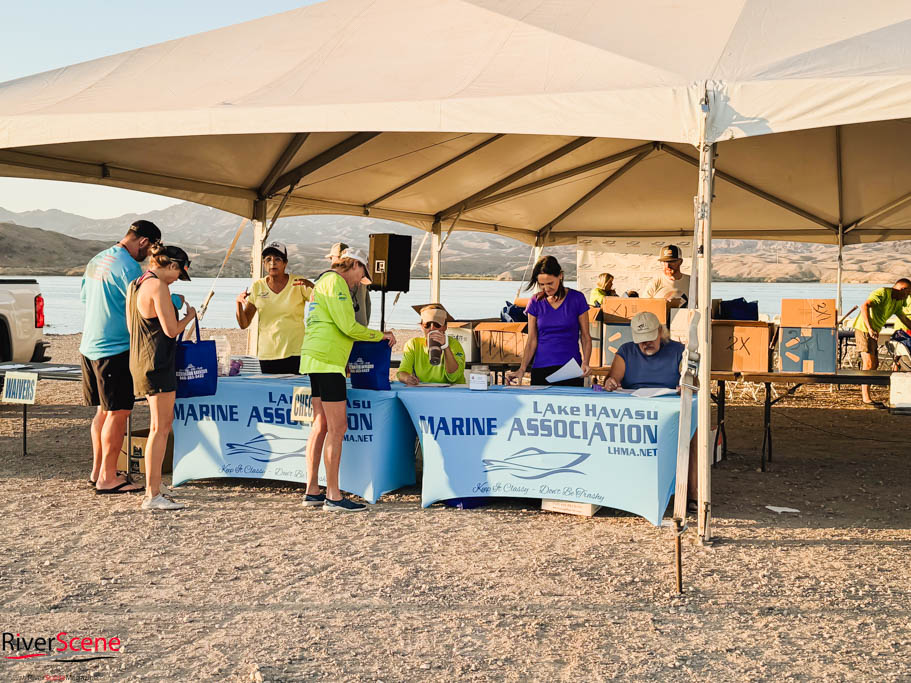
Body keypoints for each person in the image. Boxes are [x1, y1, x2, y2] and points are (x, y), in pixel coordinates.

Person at [299, 249, 395, 512]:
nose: (359, 281)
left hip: (315, 356)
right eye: (361, 274)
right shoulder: (336, 282)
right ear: (354, 265)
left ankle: (312, 489)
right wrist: (380, 336)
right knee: (338, 427)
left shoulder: (322, 281)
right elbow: (348, 326)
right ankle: (333, 495)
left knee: (320, 424)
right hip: (328, 359)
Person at [80, 219, 162, 494]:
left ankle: (98, 471)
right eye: (150, 249)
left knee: (104, 411)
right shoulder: (128, 267)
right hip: (113, 348)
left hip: (89, 346)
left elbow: (84, 300)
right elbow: (144, 304)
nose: (149, 256)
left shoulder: (97, 260)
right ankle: (107, 478)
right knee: (119, 412)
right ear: (143, 242)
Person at [126, 244, 197, 511]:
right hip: (158, 363)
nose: (177, 279)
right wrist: (188, 317)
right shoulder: (158, 287)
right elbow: (170, 330)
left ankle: (154, 485)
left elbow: (130, 325)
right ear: (172, 266)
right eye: (179, 273)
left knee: (159, 425)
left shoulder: (136, 284)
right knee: (160, 428)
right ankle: (152, 494)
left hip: (141, 359)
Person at [603, 311, 696, 500]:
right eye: (641, 340)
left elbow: (692, 381)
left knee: (692, 433)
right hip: (635, 410)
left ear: (661, 332)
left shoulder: (679, 351)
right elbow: (612, 379)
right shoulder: (626, 351)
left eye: (650, 338)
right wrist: (611, 382)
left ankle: (691, 493)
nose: (646, 344)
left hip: (668, 408)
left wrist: (684, 384)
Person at [506, 255, 591, 387]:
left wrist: (586, 362)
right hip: (541, 368)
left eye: (550, 283)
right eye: (541, 284)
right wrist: (522, 369)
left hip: (571, 368)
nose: (546, 289)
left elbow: (586, 336)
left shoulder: (577, 298)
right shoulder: (535, 301)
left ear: (560, 276)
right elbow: (532, 339)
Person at [235, 241, 313, 374]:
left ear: (285, 263)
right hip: (268, 354)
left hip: (296, 353)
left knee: (296, 393)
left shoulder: (298, 282)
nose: (272, 263)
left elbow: (322, 300)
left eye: (277, 259)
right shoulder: (258, 286)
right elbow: (244, 323)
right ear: (264, 264)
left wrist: (313, 286)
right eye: (268, 259)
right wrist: (238, 303)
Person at [853, 279, 911, 404]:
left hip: (874, 332)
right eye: (908, 293)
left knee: (875, 364)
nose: (908, 296)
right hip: (864, 329)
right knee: (868, 363)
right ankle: (866, 398)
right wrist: (869, 328)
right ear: (902, 289)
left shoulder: (898, 302)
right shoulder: (883, 292)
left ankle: (867, 395)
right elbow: (864, 306)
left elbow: (904, 319)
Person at [397, 304, 466, 385]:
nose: (432, 328)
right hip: (426, 391)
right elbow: (401, 373)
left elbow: (454, 377)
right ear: (422, 326)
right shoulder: (414, 344)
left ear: (445, 327)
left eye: (437, 325)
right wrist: (407, 378)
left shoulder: (453, 344)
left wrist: (446, 347)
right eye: (427, 325)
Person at [327, 242, 371, 326]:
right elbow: (368, 304)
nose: (332, 262)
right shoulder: (361, 278)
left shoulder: (333, 280)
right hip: (359, 328)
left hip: (347, 330)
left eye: (332, 258)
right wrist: (365, 324)